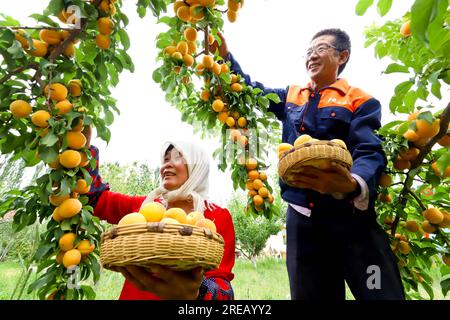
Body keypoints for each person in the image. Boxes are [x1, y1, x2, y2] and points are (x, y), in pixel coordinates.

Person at [211, 28, 405, 300]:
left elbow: (369, 149)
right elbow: (250, 91)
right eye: (309, 51)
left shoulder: (358, 99)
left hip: (349, 217)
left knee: (379, 292)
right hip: (303, 219)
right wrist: (224, 58)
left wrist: (352, 184)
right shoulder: (292, 95)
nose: (312, 55)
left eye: (321, 49)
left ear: (342, 56)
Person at [85, 132, 236, 300]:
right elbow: (94, 199)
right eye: (165, 159)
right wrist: (84, 149)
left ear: (197, 167)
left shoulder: (216, 216)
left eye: (178, 157)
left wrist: (199, 293)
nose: (167, 165)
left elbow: (224, 288)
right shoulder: (146, 208)